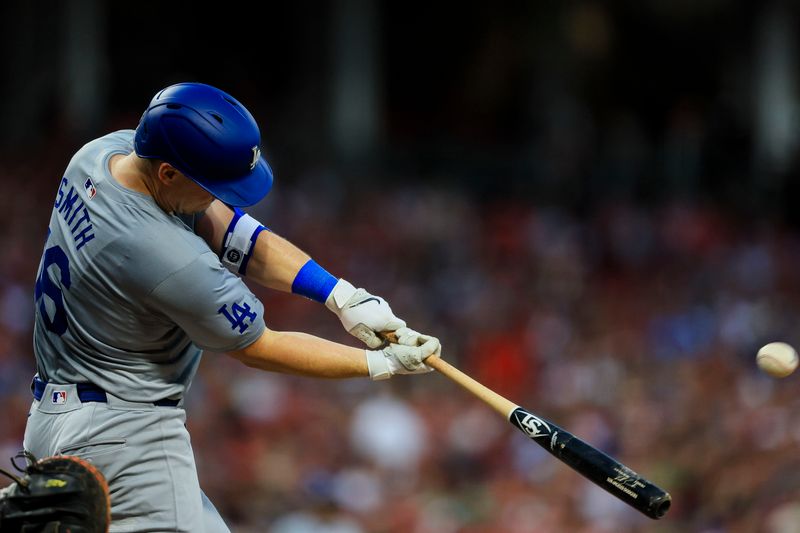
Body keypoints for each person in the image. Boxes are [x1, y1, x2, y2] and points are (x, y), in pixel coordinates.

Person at [24, 82, 440, 532]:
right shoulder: (167, 256)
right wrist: (378, 363)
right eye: (210, 186)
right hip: (125, 434)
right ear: (167, 173)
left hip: (56, 416)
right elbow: (258, 346)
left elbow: (227, 228)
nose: (218, 197)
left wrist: (341, 296)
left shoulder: (102, 155)